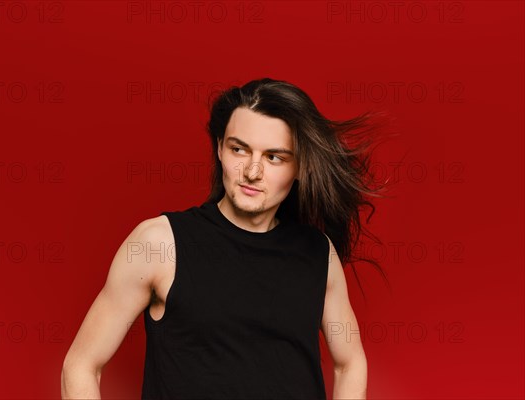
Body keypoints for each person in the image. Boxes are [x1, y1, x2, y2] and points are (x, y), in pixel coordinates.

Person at [61, 78, 389, 399]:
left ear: (300, 167)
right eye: (239, 149)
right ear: (220, 148)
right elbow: (81, 365)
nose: (252, 171)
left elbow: (349, 363)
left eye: (274, 157)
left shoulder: (318, 254)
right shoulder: (159, 244)